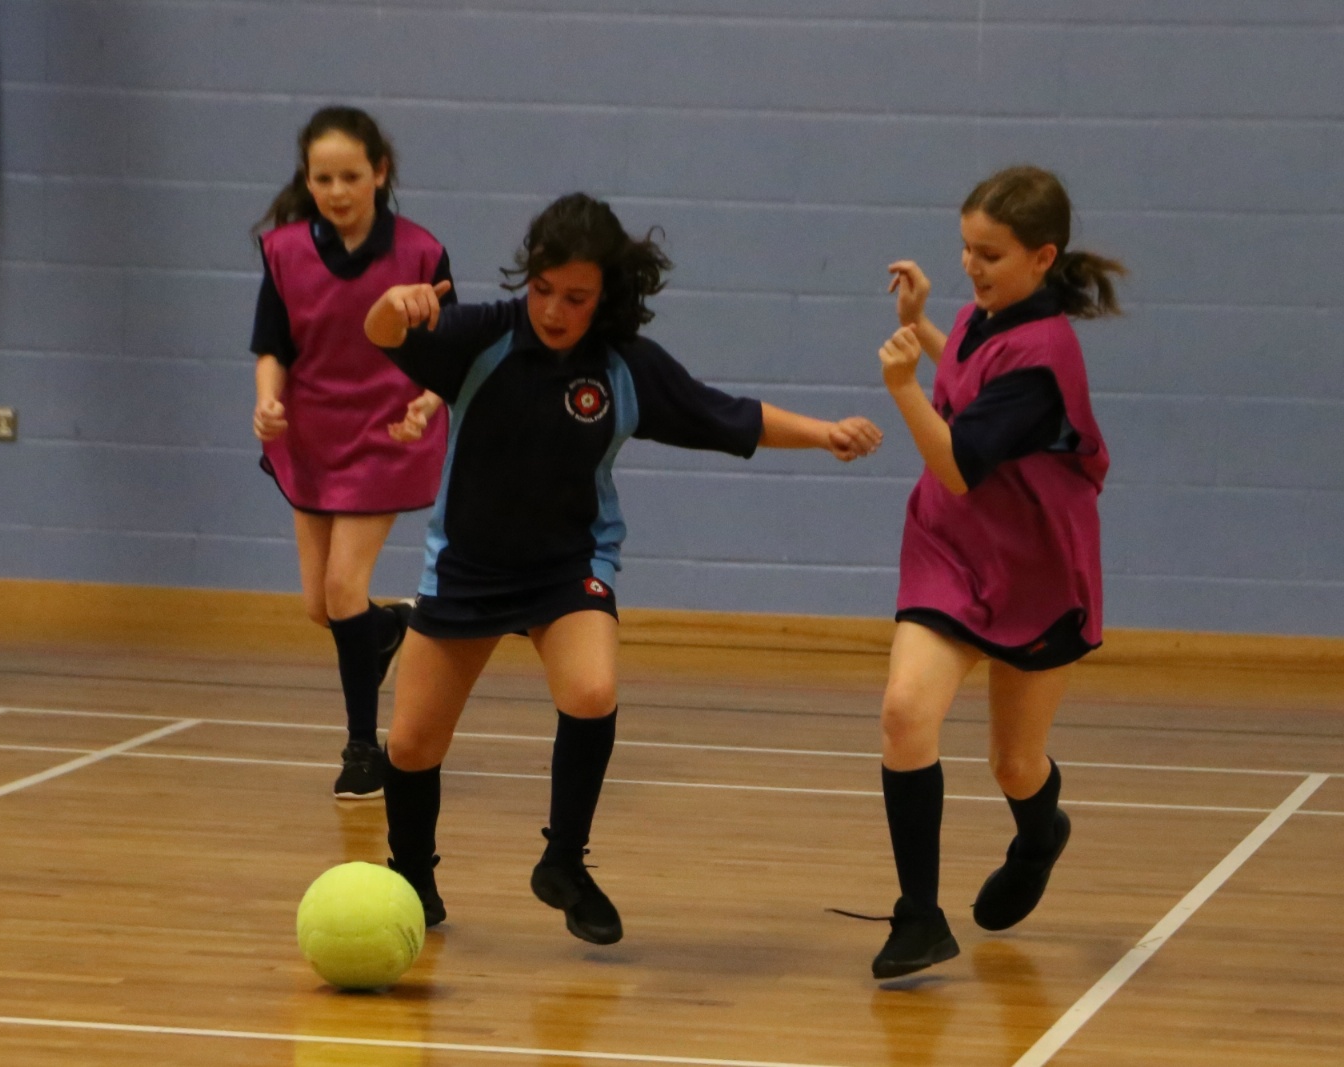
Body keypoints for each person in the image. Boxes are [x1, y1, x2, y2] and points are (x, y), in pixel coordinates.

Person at [363, 192, 884, 945]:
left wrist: (824, 431)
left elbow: (724, 415)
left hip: (569, 565)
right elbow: (383, 335)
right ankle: (414, 878)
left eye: (576, 297)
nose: (553, 310)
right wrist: (392, 305)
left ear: (605, 294)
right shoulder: (481, 336)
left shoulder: (624, 368)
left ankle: (563, 863)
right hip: (467, 567)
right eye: (543, 289)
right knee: (411, 746)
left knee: (591, 689)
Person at [865, 165, 1123, 978]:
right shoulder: (987, 318)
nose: (972, 266)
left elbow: (958, 463)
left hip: (1034, 571)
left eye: (991, 254)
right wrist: (920, 323)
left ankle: (1040, 832)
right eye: (966, 248)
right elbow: (970, 379)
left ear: (1043, 258)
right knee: (906, 712)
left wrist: (901, 387)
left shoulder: (1045, 360)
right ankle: (919, 915)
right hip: (949, 550)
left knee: (1014, 764)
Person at [250, 106, 455, 800]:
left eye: (350, 176)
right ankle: (389, 627)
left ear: (380, 173)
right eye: (323, 178)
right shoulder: (283, 253)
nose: (336, 191)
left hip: (386, 433)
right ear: (307, 180)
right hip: (311, 435)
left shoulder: (421, 252)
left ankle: (364, 748)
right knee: (323, 606)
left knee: (343, 589)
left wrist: (429, 401)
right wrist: (267, 401)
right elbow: (272, 345)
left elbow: (449, 351)